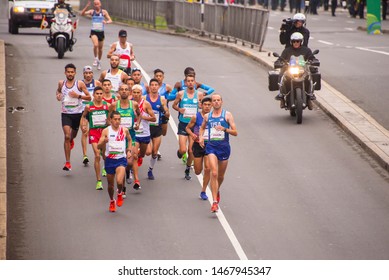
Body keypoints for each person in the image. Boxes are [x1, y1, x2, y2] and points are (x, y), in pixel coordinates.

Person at [199, 94, 237, 213]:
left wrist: (225, 129)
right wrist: (201, 137)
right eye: (214, 101)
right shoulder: (207, 116)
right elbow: (202, 128)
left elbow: (235, 132)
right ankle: (214, 202)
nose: (216, 102)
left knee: (220, 176)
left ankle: (217, 189)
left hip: (224, 147)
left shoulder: (227, 115)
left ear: (221, 102)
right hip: (211, 147)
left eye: (218, 100)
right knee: (213, 173)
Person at [55, 63, 91, 171]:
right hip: (66, 114)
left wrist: (78, 96)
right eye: (68, 72)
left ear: (75, 73)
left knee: (72, 136)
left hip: (78, 114)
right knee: (66, 136)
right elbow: (58, 91)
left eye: (72, 72)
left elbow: (89, 97)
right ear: (65, 72)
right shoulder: (61, 83)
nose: (70, 74)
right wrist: (58, 95)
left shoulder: (79, 84)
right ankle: (67, 163)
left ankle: (71, 140)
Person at [98, 111, 132, 212]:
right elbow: (98, 146)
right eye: (115, 119)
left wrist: (129, 150)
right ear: (111, 120)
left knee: (119, 181)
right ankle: (112, 200)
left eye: (119, 119)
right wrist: (104, 142)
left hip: (121, 159)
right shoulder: (106, 131)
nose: (117, 121)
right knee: (110, 185)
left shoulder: (124, 130)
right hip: (109, 160)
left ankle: (120, 193)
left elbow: (130, 140)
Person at [109, 84, 140, 197]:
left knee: (130, 162)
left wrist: (137, 124)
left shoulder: (134, 104)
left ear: (129, 92)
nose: (124, 91)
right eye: (121, 90)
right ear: (119, 92)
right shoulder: (114, 105)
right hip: (118, 139)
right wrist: (113, 128)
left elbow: (139, 115)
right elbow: (109, 119)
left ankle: (128, 172)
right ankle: (123, 188)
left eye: (126, 90)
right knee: (121, 163)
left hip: (130, 136)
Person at [274, 32, 317, 109]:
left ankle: (309, 96)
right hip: (290, 69)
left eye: (298, 41)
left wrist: (314, 60)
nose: (296, 43)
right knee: (281, 74)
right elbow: (280, 59)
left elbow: (312, 57)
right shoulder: (287, 50)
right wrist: (278, 62)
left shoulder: (306, 50)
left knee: (310, 76)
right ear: (291, 42)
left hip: (302, 70)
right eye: (294, 41)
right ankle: (281, 96)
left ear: (301, 42)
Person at [172, 74, 201, 180]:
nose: (190, 82)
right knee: (183, 150)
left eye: (192, 81)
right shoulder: (180, 94)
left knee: (191, 150)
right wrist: (179, 109)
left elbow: (202, 107)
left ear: (195, 82)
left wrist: (201, 106)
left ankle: (188, 169)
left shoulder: (199, 95)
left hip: (194, 125)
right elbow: (174, 105)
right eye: (188, 81)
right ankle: (180, 152)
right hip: (183, 124)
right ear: (185, 83)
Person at [81, 86, 109, 190]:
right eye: (97, 94)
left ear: (103, 95)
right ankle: (99, 181)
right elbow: (84, 116)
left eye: (101, 94)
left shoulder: (107, 106)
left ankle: (105, 167)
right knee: (97, 155)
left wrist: (109, 122)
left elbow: (112, 118)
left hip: (104, 132)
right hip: (94, 132)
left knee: (105, 155)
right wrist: (84, 125)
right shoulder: (89, 106)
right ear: (94, 95)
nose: (99, 95)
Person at [185, 96, 212, 200]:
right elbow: (187, 128)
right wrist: (192, 134)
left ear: (212, 106)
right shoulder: (195, 117)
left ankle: (203, 191)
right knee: (197, 171)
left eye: (209, 105)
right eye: (205, 104)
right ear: (201, 105)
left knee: (208, 168)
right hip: (197, 145)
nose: (207, 107)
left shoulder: (214, 117)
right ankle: (189, 167)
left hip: (209, 145)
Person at [132, 84, 156, 190]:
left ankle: (140, 157)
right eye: (134, 92)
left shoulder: (146, 104)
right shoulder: (129, 104)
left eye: (138, 93)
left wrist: (143, 117)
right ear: (131, 93)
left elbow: (154, 118)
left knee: (142, 154)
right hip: (134, 134)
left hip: (145, 134)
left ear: (141, 93)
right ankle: (136, 180)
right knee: (134, 157)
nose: (136, 94)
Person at [145, 79, 169, 180]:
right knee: (148, 152)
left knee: (155, 152)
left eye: (156, 85)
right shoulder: (144, 98)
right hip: (146, 127)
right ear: (149, 87)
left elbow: (168, 114)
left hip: (157, 128)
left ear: (158, 87)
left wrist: (163, 109)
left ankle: (150, 169)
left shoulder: (162, 99)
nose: (154, 87)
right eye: (152, 85)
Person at [81, 0, 112, 70]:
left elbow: (110, 20)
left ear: (100, 4)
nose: (96, 5)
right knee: (95, 45)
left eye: (97, 4)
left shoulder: (104, 12)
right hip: (93, 31)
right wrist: (86, 7)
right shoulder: (92, 12)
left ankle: (99, 61)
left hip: (101, 32)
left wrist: (106, 22)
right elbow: (82, 14)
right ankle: (95, 58)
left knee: (100, 49)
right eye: (95, 4)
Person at [81, 65, 102, 166]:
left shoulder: (97, 83)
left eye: (90, 73)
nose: (88, 75)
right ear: (83, 74)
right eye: (86, 73)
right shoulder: (80, 84)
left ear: (92, 74)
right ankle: (85, 155)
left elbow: (101, 93)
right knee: (84, 132)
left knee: (98, 131)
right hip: (84, 110)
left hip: (95, 110)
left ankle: (100, 151)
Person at [153, 68, 173, 137]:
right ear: (154, 77)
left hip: (164, 112)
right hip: (154, 112)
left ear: (163, 77)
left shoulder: (167, 87)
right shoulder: (151, 87)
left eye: (160, 76)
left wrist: (167, 99)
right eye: (157, 76)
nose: (158, 77)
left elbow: (173, 96)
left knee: (164, 133)